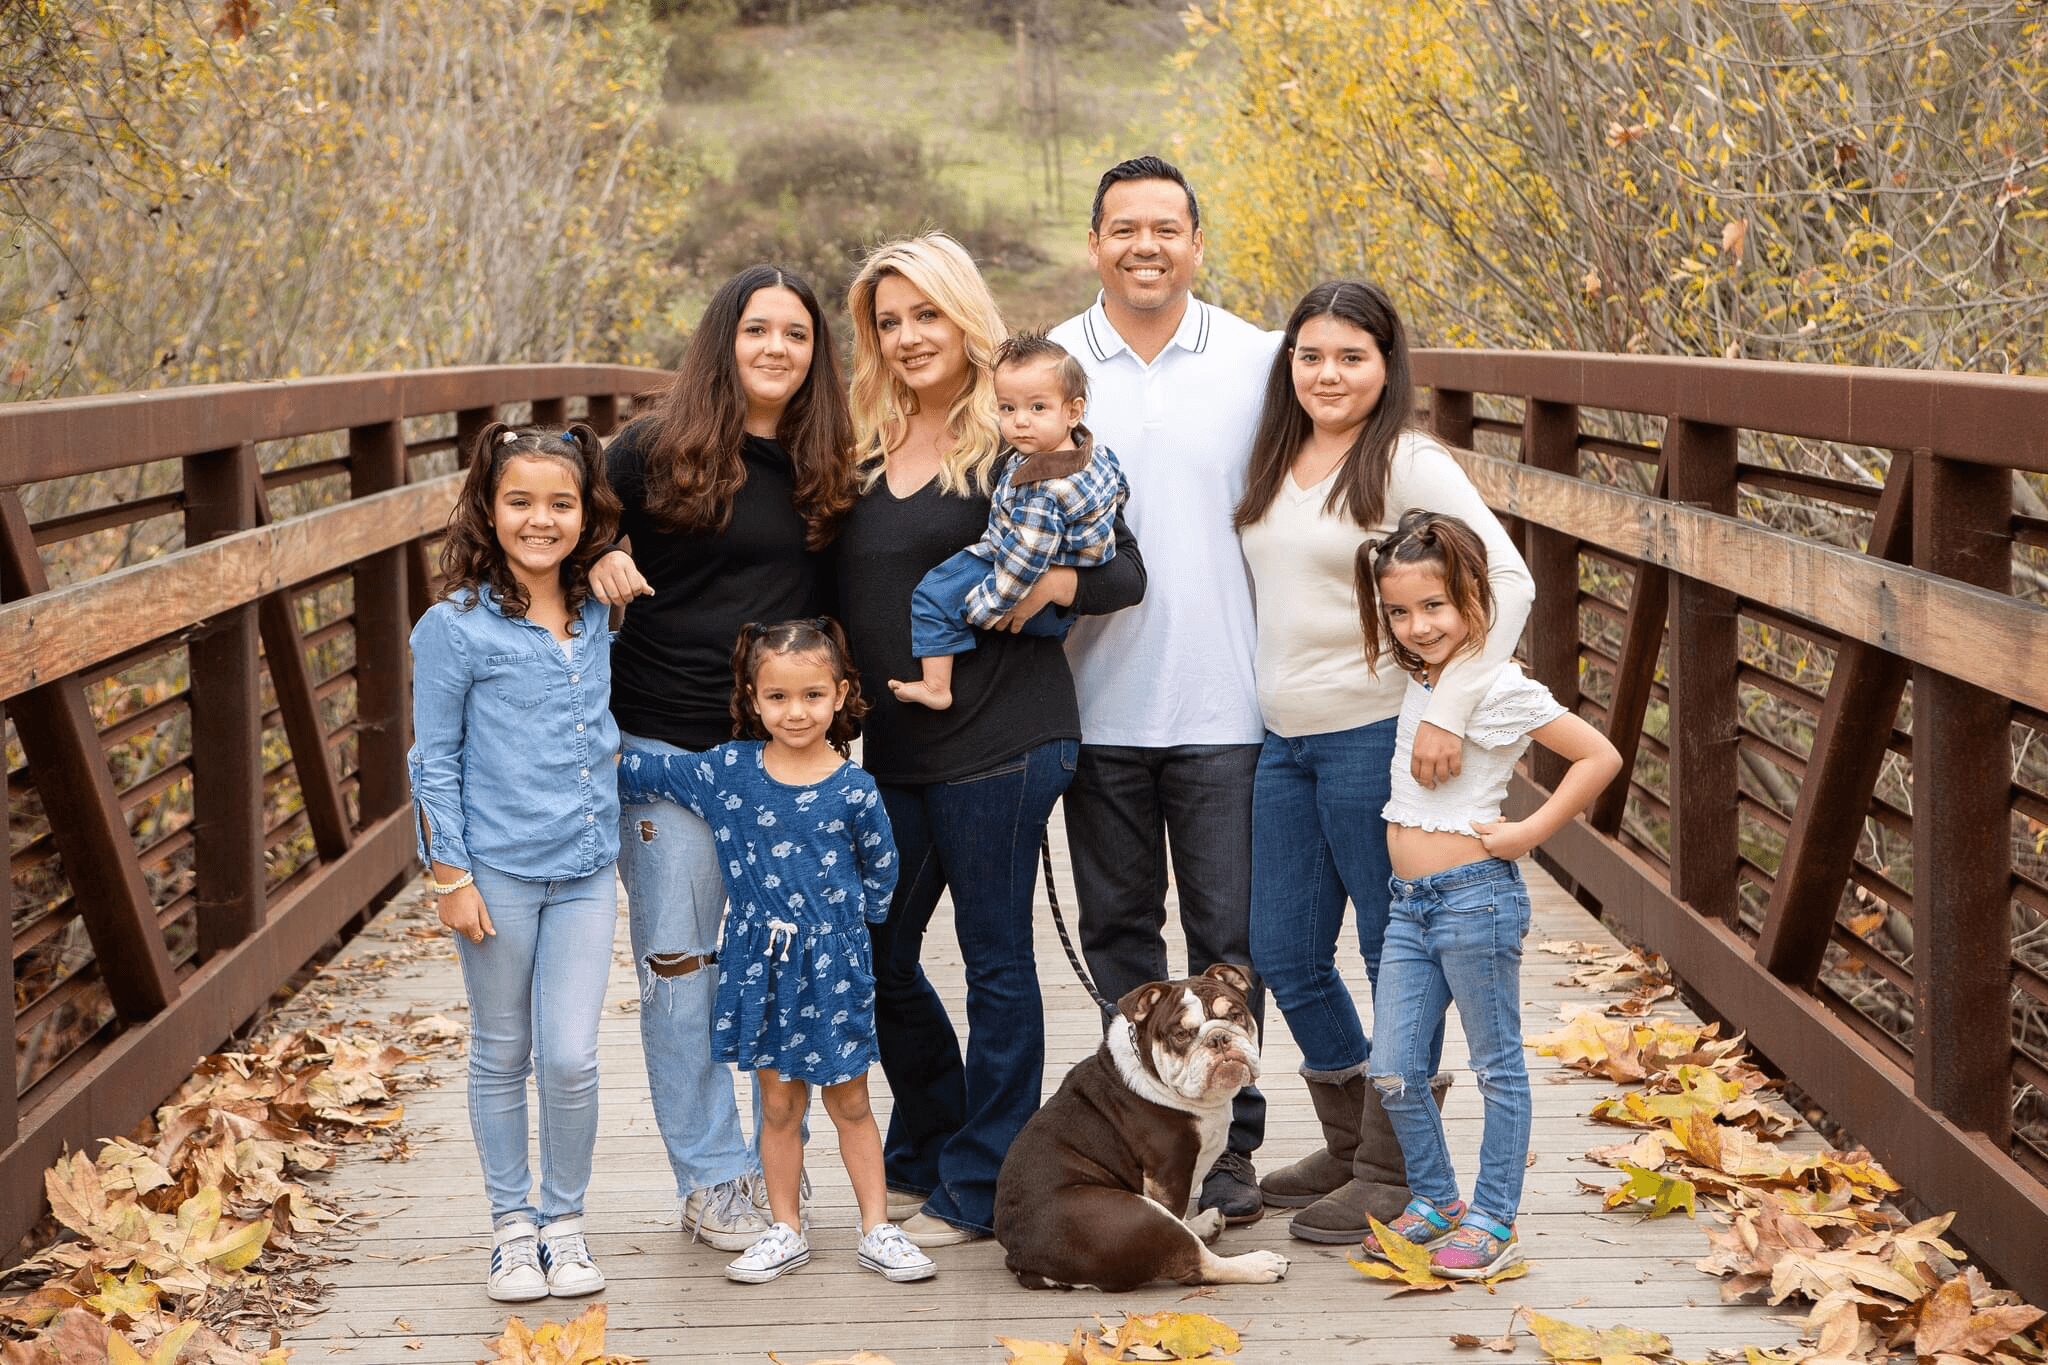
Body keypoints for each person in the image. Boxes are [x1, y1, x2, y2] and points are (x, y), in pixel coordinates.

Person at [836, 232, 1147, 1247]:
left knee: (994, 961)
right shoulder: (863, 443)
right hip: (894, 745)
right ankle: (935, 1136)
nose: (907, 336)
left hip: (1005, 736)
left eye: (926, 313)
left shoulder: (1019, 433)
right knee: (879, 950)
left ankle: (981, 1181)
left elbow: (1121, 572)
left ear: (963, 314)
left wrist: (1053, 584)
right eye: (888, 321)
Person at [1235, 280, 1534, 1244]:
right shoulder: (1276, 455)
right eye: (1311, 355)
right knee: (1285, 950)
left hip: (1374, 735)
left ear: (1387, 364)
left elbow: (1510, 578)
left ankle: (1395, 1166)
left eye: (1351, 357)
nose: (1329, 374)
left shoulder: (1408, 459)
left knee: (1387, 950)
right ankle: (1352, 1140)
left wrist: (1450, 705)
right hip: (1284, 739)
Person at [587, 266, 857, 1252]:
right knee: (682, 965)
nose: (776, 348)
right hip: (663, 746)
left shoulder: (829, 462)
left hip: (781, 758)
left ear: (816, 353)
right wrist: (596, 551)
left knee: (782, 964)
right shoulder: (649, 451)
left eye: (796, 333)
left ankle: (773, 1163)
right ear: (724, 339)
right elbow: (545, 517)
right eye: (757, 330)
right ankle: (710, 1177)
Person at [1049, 155, 1280, 1222]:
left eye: (1166, 228)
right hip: (1095, 704)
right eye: (1123, 228)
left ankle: (1230, 1148)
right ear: (1094, 243)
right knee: (1119, 940)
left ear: (1195, 242)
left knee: (1232, 945)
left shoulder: (1257, 359)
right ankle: (1140, 1136)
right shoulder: (1051, 362)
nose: (1145, 246)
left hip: (1229, 704)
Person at [617, 618, 938, 1286]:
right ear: (752, 698)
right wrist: (577, 748)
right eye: (778, 697)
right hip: (760, 967)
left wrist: (848, 928)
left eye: (813, 695)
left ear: (840, 695)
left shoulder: (854, 789)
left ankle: (876, 1227)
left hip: (834, 968)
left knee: (851, 1100)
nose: (796, 712)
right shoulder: (729, 772)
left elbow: (883, 867)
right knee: (780, 1103)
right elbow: (647, 771)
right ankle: (785, 1227)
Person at [1356, 511, 1621, 1277]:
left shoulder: (1499, 686)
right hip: (1409, 906)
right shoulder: (1424, 676)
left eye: (1433, 605)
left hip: (1475, 899)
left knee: (1496, 1065)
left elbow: (1598, 756)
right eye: (1398, 612)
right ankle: (1438, 1198)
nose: (1417, 626)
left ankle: (1496, 1217)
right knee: (1393, 1069)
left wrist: (1529, 830)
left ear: (1473, 597)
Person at [406, 422, 623, 1302]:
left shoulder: (599, 606)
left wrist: (620, 552)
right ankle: (511, 1229)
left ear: (586, 514)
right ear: (488, 510)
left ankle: (564, 1223)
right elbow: (433, 759)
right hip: (495, 871)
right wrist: (449, 875)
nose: (541, 519)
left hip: (586, 867)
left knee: (570, 1055)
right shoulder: (453, 628)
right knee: (504, 1048)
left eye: (561, 503)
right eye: (520, 501)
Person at [890, 329, 1127, 711]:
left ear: (1073, 411)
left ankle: (936, 685)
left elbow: (1025, 560)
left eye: (1037, 408)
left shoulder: (1044, 489)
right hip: (1065, 598)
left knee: (934, 593)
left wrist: (986, 608)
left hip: (1030, 583)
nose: (1020, 422)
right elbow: (1118, 487)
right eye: (1007, 408)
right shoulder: (1091, 452)